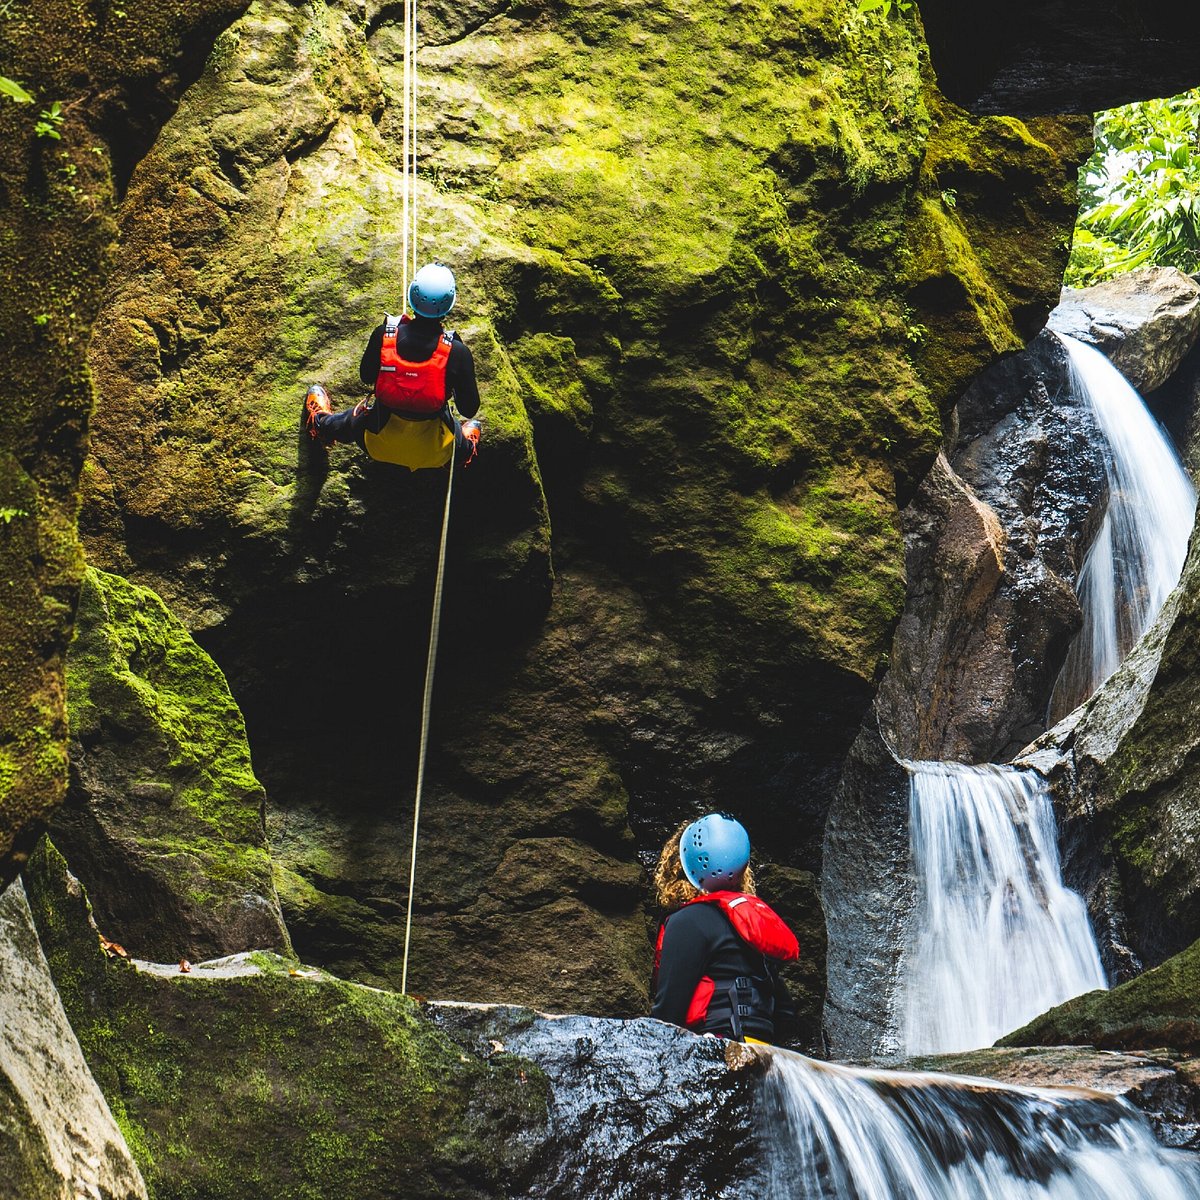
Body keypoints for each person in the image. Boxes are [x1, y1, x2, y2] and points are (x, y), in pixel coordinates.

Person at [303, 262, 482, 470]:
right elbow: (469, 409)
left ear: (412, 296)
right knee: (458, 441)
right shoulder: (458, 352)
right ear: (449, 304)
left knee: (351, 420)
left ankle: (320, 424)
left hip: (376, 442)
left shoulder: (385, 334)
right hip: (435, 452)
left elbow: (366, 376)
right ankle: (466, 449)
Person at [651, 813, 799, 1045]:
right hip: (764, 1052)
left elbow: (668, 1013)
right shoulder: (750, 926)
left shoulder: (688, 921)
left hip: (715, 1048)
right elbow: (785, 1011)